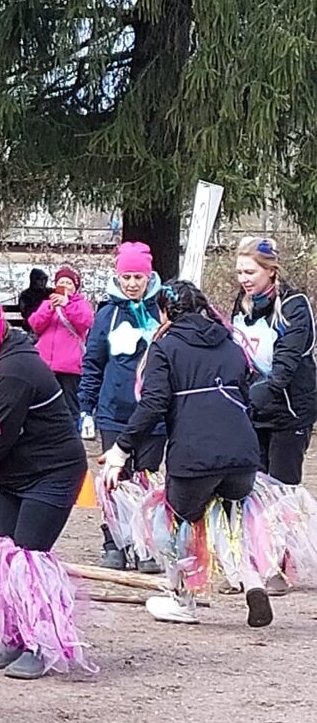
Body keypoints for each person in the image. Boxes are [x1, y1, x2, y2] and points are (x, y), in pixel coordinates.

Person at [99, 280, 270, 626]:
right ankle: (253, 582)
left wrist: (121, 448)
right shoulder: (230, 342)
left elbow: (153, 404)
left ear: (166, 311)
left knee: (176, 522)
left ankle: (181, 599)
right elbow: (248, 392)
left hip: (194, 455)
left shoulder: (165, 346)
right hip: (241, 453)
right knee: (230, 517)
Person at [0, 279, 92, 681]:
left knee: (29, 560)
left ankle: (40, 645)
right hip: (14, 473)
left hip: (53, 473)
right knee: (5, 555)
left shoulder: (13, 369)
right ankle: (12, 635)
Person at [230, 236, 315, 595]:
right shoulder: (242, 303)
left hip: (289, 411)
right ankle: (252, 562)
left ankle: (281, 564)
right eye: (239, 272)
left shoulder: (294, 307)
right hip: (255, 408)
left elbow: (283, 369)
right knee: (250, 488)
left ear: (270, 271)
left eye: (250, 272)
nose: (244, 279)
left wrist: (252, 397)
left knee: (280, 487)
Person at [79, 241, 165, 571]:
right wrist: (86, 407)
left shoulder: (162, 312)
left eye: (138, 277)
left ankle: (146, 545)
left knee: (147, 482)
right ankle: (114, 541)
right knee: (116, 480)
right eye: (126, 276)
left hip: (153, 418)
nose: (132, 283)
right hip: (114, 413)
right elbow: (93, 363)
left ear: (149, 278)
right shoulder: (107, 315)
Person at [28, 265, 94, 422]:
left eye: (69, 283)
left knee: (70, 407)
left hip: (69, 366)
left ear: (75, 287)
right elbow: (35, 324)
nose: (65, 285)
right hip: (45, 364)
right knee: (43, 404)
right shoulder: (47, 303)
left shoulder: (81, 305)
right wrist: (50, 308)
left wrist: (67, 305)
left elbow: (85, 322)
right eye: (61, 282)